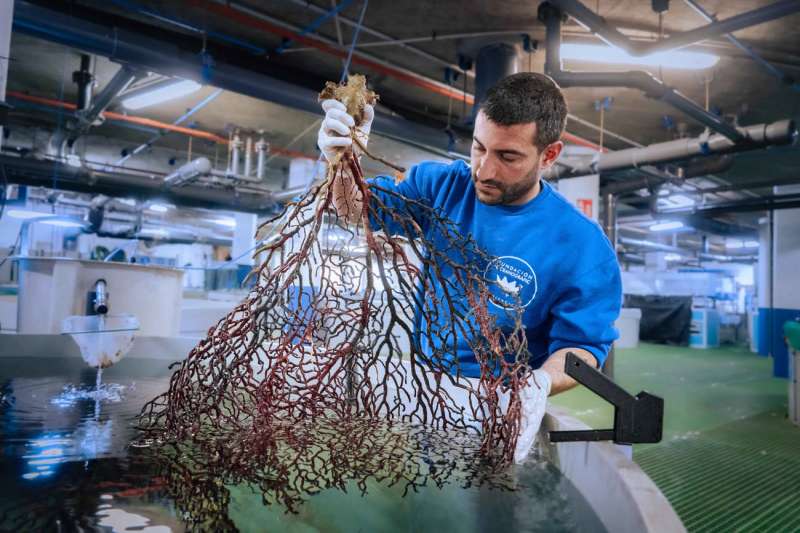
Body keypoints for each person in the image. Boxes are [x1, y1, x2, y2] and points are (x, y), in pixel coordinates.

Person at [317, 72, 622, 463]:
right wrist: (343, 160)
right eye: (479, 148)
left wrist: (536, 385)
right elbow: (354, 208)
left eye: (508, 157)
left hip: (499, 408)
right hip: (425, 390)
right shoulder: (443, 187)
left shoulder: (582, 245)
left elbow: (582, 347)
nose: (484, 170)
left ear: (548, 155)